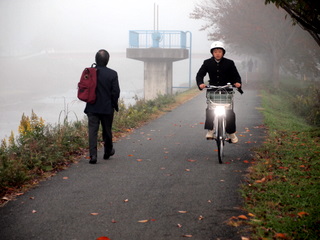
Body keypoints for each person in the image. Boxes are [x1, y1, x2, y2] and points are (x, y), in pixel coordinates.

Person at [196, 41, 242, 143]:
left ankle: (231, 133)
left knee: (230, 113)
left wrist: (238, 82)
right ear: (212, 53)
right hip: (213, 90)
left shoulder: (230, 63)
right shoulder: (207, 63)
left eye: (219, 51)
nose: (217, 53)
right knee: (210, 110)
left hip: (227, 90)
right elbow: (200, 75)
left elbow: (236, 75)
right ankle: (210, 130)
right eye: (215, 51)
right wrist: (200, 84)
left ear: (223, 53)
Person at [84, 49, 120, 164]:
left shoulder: (90, 72)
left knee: (92, 132)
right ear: (107, 60)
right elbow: (116, 92)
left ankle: (93, 156)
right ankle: (107, 151)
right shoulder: (112, 74)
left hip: (92, 107)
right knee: (107, 130)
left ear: (96, 60)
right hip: (107, 107)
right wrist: (114, 105)